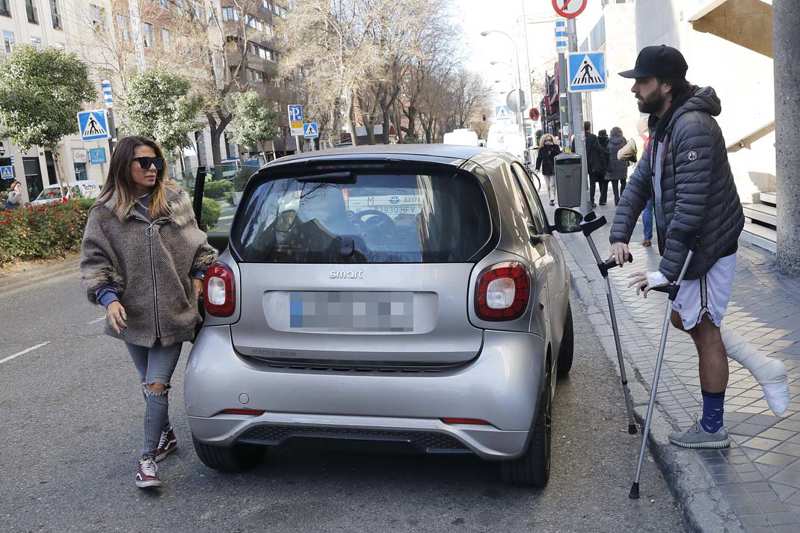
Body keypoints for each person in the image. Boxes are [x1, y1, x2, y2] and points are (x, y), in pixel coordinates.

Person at [609, 45, 789, 450]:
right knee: (685, 320)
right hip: (692, 244)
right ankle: (765, 366)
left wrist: (666, 272)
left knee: (703, 329)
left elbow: (690, 208)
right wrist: (619, 234)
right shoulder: (664, 123)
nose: (635, 89)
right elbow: (641, 182)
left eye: (643, 81)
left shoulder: (692, 127)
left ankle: (713, 429)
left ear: (666, 84)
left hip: (706, 247)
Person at [80, 136, 218, 488]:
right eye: (143, 162)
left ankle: (146, 459)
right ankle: (167, 435)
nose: (153, 168)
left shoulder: (175, 202)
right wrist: (109, 299)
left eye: (156, 161)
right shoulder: (105, 212)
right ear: (124, 166)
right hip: (134, 318)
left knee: (156, 386)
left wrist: (200, 278)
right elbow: (95, 263)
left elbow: (201, 248)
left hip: (175, 313)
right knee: (148, 386)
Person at [584, 122, 608, 207]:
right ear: (589, 127)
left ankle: (588, 201)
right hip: (593, 164)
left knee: (586, 183)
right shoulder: (593, 137)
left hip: (583, 164)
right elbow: (599, 149)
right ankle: (592, 201)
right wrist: (606, 152)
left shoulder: (577, 137)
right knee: (593, 184)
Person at [535, 133, 561, 206]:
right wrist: (537, 168)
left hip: (553, 168)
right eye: (546, 140)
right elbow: (539, 159)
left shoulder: (555, 147)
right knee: (548, 186)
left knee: (553, 184)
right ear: (543, 141)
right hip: (545, 169)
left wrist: (552, 148)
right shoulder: (542, 149)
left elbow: (558, 154)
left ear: (552, 140)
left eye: (550, 140)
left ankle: (552, 198)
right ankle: (550, 198)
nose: (548, 141)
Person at [606, 127, 629, 205]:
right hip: (622, 164)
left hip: (613, 165)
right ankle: (622, 197)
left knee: (614, 183)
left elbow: (606, 152)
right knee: (623, 181)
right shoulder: (623, 140)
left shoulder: (609, 140)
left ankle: (616, 199)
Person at [596, 129, 611, 205]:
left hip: (598, 165)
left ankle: (602, 199)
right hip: (606, 165)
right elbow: (609, 153)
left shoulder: (597, 141)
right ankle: (603, 200)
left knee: (600, 183)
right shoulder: (607, 141)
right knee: (605, 183)